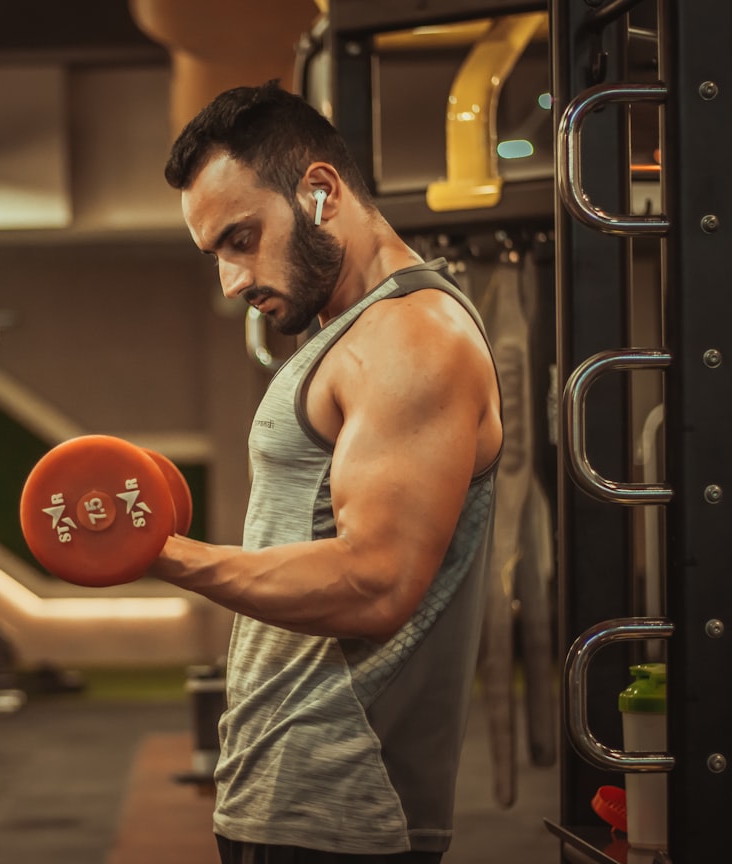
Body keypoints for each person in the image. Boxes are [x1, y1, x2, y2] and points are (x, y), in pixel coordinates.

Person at [145, 80, 504, 864]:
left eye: (242, 239)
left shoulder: (413, 339)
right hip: (284, 791)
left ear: (318, 191)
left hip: (345, 810)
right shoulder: (354, 333)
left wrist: (163, 554)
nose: (233, 282)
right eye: (216, 256)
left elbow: (376, 581)